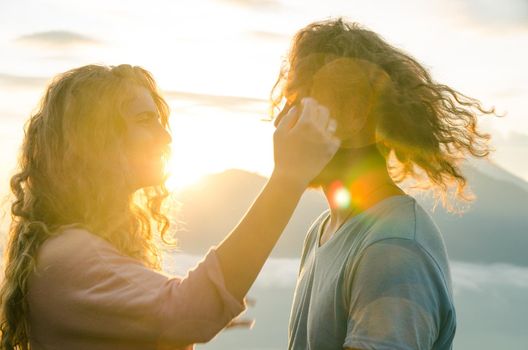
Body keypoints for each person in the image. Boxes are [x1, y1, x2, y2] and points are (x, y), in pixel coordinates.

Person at [0, 64, 340, 349]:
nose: (166, 137)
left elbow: (180, 315)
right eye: (145, 120)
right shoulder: (68, 253)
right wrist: (288, 178)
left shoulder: (75, 249)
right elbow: (192, 309)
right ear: (92, 137)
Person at [270, 18, 496, 349]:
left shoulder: (394, 249)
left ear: (354, 113)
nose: (282, 122)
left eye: (299, 103)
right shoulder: (322, 231)